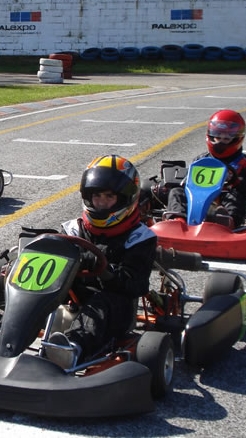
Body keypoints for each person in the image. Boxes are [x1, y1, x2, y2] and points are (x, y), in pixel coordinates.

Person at [44, 155, 156, 369]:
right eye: (96, 196)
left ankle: (71, 348)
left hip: (114, 307)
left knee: (101, 304)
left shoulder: (140, 238)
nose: (101, 202)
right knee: (43, 286)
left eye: (109, 196)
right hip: (73, 295)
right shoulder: (73, 229)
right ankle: (4, 337)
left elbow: (136, 285)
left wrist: (101, 268)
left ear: (125, 199)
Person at [165, 110, 246, 228]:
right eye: (218, 138)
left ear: (237, 139)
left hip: (226, 196)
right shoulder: (201, 159)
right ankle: (178, 220)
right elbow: (187, 182)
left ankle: (227, 222)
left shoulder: (244, 163)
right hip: (198, 196)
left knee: (235, 197)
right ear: (211, 136)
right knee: (176, 192)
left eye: (226, 139)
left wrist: (235, 181)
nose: (221, 142)